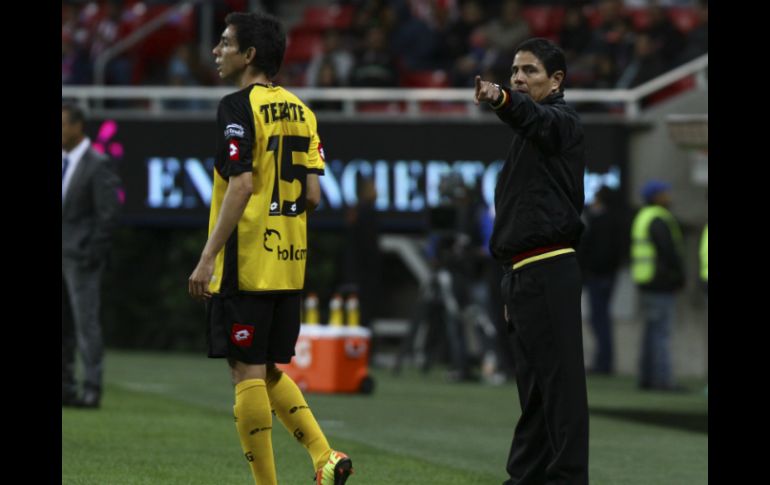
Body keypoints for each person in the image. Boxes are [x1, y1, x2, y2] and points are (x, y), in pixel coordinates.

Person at [187, 12, 353, 485]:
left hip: (248, 262)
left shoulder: (237, 107)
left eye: (225, 43)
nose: (217, 51)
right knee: (264, 369)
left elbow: (240, 185)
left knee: (245, 374)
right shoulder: (304, 110)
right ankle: (324, 456)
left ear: (249, 55)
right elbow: (315, 196)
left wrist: (208, 256)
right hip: (289, 264)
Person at [474, 38, 589, 484]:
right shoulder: (528, 137)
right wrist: (511, 280)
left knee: (560, 389)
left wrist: (501, 98)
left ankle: (567, 478)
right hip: (523, 274)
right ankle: (526, 477)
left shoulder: (561, 121)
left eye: (530, 71)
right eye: (514, 72)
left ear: (556, 80)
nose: (518, 78)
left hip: (549, 266)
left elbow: (532, 115)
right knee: (537, 391)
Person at [62, 103, 122, 409]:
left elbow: (107, 214)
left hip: (81, 257)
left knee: (86, 324)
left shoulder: (98, 163)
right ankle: (65, 385)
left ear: (77, 126)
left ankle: (92, 387)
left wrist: (93, 253)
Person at [631, 180, 685, 391]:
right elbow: (668, 252)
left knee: (651, 331)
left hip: (647, 281)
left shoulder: (643, 217)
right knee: (660, 332)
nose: (669, 196)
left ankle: (647, 378)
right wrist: (679, 277)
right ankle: (662, 380)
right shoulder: (658, 219)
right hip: (660, 282)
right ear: (655, 196)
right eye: (665, 193)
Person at [578, 185, 627, 374]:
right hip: (606, 274)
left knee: (600, 319)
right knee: (601, 318)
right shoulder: (616, 218)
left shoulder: (601, 220)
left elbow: (596, 249)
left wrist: (589, 269)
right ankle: (604, 361)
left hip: (599, 275)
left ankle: (604, 363)